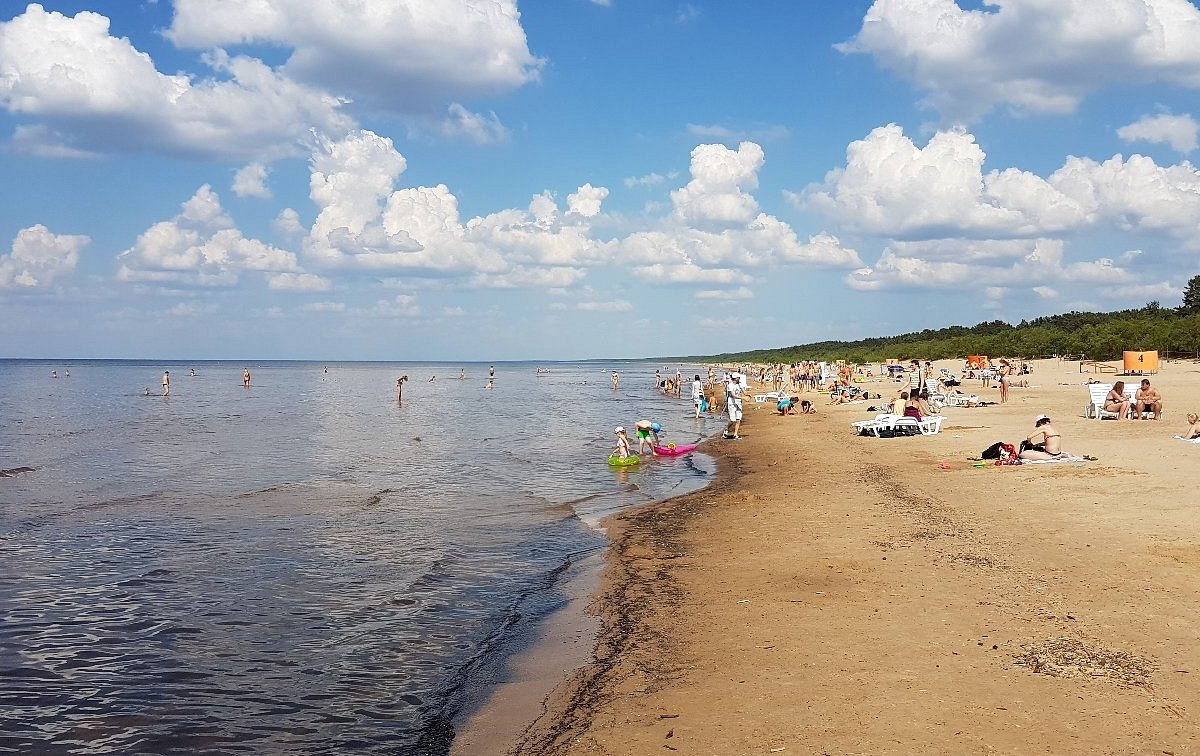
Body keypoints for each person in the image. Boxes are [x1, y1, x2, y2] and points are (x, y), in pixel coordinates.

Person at [723, 373, 749, 440]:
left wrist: (747, 394)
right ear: (735, 378)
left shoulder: (739, 384)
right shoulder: (730, 385)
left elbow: (744, 392)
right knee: (732, 420)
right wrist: (743, 398)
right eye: (738, 377)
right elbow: (733, 395)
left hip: (739, 403)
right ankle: (726, 429)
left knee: (738, 419)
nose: (739, 379)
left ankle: (735, 434)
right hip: (732, 404)